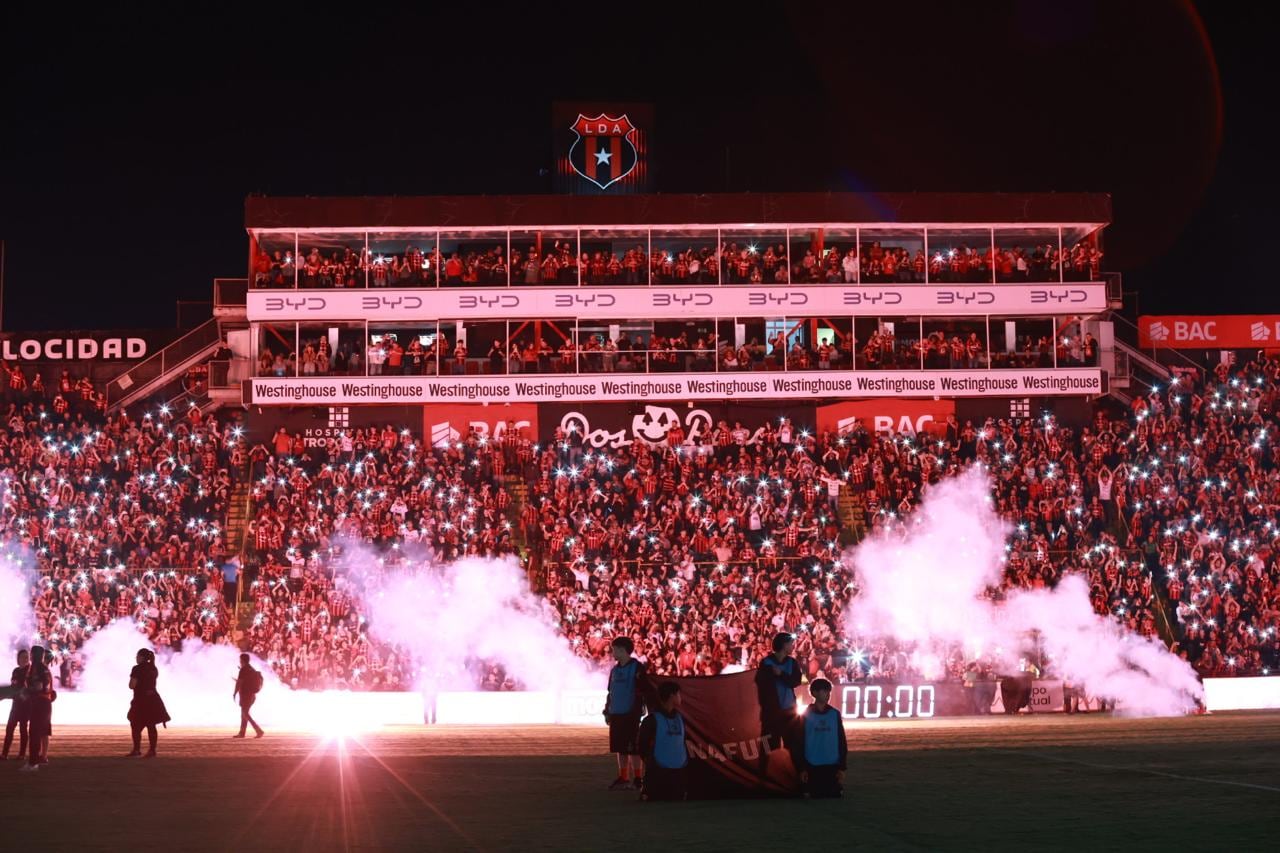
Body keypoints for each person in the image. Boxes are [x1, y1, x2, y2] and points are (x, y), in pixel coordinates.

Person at [603, 636, 648, 790]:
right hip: (616, 714)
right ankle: (623, 777)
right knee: (620, 747)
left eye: (614, 649)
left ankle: (637, 778)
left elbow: (643, 689)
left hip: (630, 714)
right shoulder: (615, 670)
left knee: (633, 748)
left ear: (622, 650)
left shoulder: (637, 667)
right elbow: (611, 691)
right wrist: (607, 709)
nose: (612, 652)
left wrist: (639, 708)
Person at [789, 679, 847, 798]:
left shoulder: (835, 714)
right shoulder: (805, 715)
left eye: (828, 691)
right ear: (814, 693)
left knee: (834, 794)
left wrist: (841, 767)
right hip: (812, 764)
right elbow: (798, 743)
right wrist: (802, 768)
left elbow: (841, 740)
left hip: (831, 764)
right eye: (824, 691)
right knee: (810, 794)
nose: (828, 694)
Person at [638, 681, 688, 802]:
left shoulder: (681, 718)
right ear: (671, 696)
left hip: (678, 772)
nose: (680, 697)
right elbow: (642, 746)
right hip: (658, 772)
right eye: (678, 694)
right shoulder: (652, 720)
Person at [755, 632, 802, 753]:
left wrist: (781, 674)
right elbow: (760, 683)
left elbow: (796, 682)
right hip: (771, 712)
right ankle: (766, 771)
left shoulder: (792, 663)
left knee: (793, 746)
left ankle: (793, 771)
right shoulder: (766, 663)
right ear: (784, 645)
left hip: (789, 711)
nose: (793, 646)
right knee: (769, 748)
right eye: (791, 644)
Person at [126, 648, 170, 758]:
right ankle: (152, 750)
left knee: (135, 725)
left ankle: (136, 749)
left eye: (137, 656)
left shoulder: (136, 669)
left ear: (142, 657)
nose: (136, 658)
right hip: (153, 699)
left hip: (140, 700)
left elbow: (132, 685)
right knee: (151, 725)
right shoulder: (153, 668)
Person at [21, 646, 54, 772]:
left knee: (34, 732)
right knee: (40, 732)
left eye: (32, 654)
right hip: (44, 702)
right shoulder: (43, 668)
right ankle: (38, 759)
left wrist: (25, 693)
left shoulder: (37, 668)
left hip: (40, 702)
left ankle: (33, 763)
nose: (31, 656)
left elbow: (40, 686)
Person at [2, 649, 30, 761]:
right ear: (18, 659)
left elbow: (27, 687)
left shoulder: (31, 671)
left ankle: (22, 754)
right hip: (16, 704)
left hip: (26, 705)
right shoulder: (16, 671)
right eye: (22, 657)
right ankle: (4, 753)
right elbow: (14, 685)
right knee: (9, 729)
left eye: (26, 656)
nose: (25, 659)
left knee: (23, 729)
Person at [233, 653, 265, 738]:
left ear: (242, 660)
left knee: (245, 713)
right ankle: (242, 732)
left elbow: (239, 682)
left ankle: (259, 730)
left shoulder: (243, 670)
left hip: (246, 695)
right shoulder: (251, 669)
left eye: (240, 660)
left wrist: (234, 693)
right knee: (244, 713)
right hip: (252, 695)